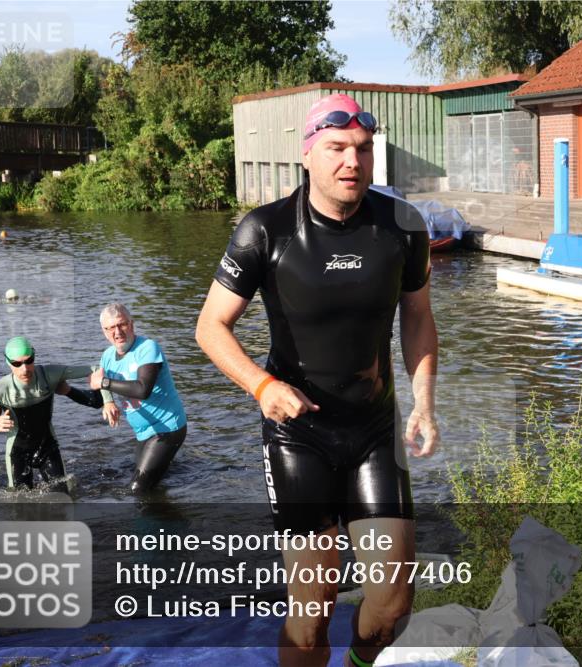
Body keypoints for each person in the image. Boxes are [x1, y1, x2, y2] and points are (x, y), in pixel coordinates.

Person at [195, 93, 439, 667]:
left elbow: (420, 315)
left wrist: (424, 404)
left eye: (362, 149)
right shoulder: (265, 230)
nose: (351, 161)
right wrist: (261, 385)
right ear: (307, 155)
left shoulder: (402, 225)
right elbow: (210, 327)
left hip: (375, 427)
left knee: (393, 597)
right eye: (336, 148)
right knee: (314, 603)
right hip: (298, 434)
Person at [0, 337, 102, 492]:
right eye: (17, 364)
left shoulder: (48, 375)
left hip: (47, 447)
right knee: (19, 502)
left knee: (62, 496)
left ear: (34, 356)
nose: (24, 369)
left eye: (29, 361)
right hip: (17, 453)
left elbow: (97, 369)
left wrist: (108, 402)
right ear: (8, 363)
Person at [89, 303, 187, 494]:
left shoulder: (147, 348)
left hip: (166, 428)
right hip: (143, 431)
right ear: (104, 332)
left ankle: (161, 523)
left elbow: (143, 390)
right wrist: (108, 401)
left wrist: (105, 383)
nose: (117, 332)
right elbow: (100, 380)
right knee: (150, 483)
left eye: (122, 324)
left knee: (138, 489)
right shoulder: (107, 356)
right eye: (111, 328)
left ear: (131, 324)